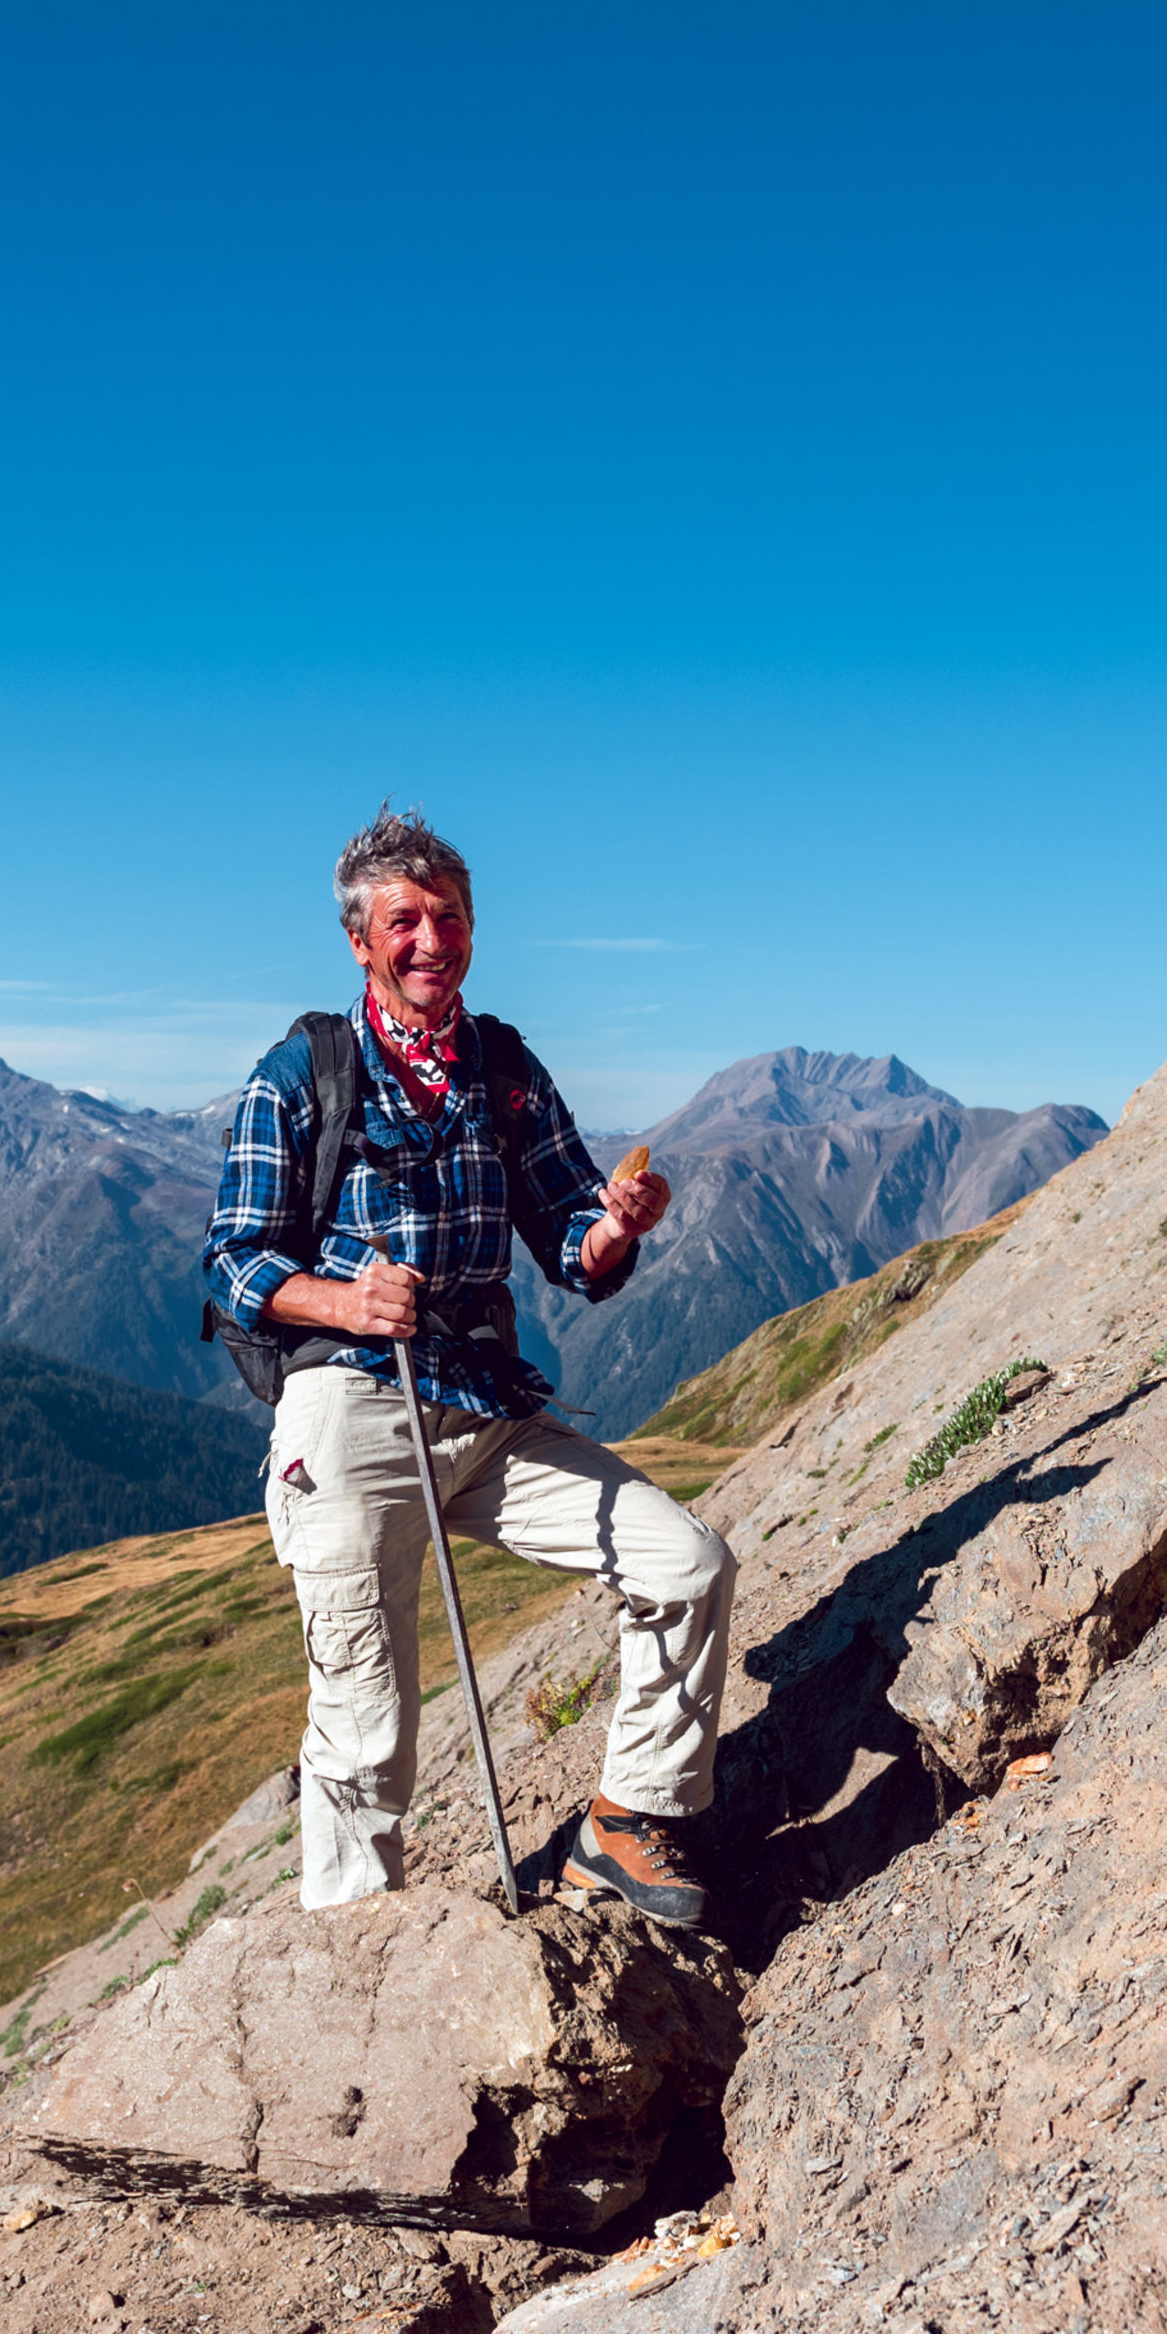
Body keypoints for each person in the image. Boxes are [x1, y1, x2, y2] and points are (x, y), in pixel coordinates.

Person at [202, 806, 736, 1925]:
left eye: (448, 917)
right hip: (351, 1406)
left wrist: (618, 1226)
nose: (430, 941)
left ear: (473, 929)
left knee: (686, 1565)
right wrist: (345, 1300)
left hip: (484, 1400)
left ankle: (626, 1823)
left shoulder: (504, 1067)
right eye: (404, 921)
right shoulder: (299, 1075)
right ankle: (357, 1946)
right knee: (366, 1725)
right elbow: (236, 1261)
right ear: (360, 939)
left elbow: (572, 1244)